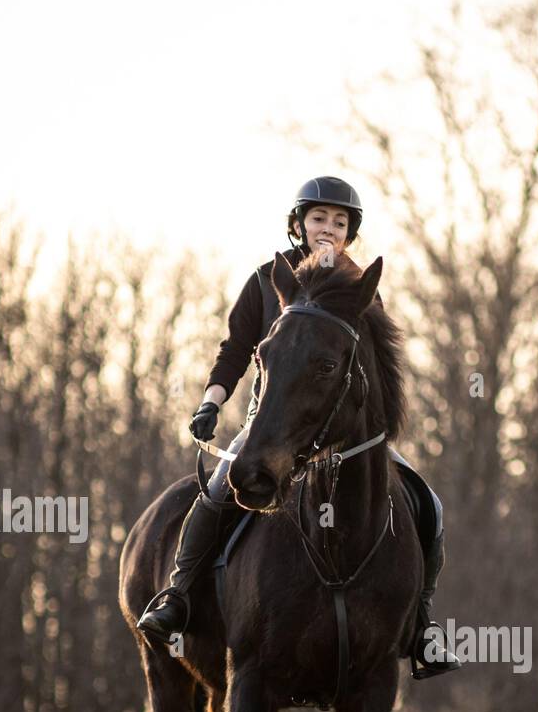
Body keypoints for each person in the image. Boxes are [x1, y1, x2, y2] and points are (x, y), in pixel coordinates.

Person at [137, 175, 460, 678]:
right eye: (318, 219)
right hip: (272, 429)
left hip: (344, 435)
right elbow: (235, 349)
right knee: (216, 493)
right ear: (298, 224)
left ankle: (421, 627)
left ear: (350, 233)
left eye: (339, 222)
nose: (328, 229)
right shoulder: (267, 279)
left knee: (428, 503)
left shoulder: (362, 293)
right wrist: (211, 402)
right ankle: (177, 595)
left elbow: (379, 372)